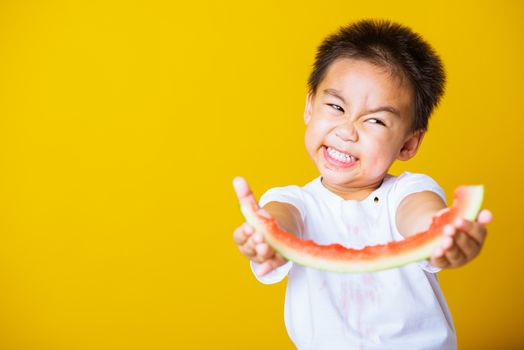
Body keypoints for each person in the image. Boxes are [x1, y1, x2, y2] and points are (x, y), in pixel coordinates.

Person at [232, 19, 492, 350]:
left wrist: (442, 232)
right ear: (310, 106)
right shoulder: (294, 202)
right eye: (336, 107)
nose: (347, 131)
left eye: (375, 120)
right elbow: (282, 218)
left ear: (408, 144)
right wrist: (267, 235)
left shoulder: (407, 192)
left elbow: (421, 216)